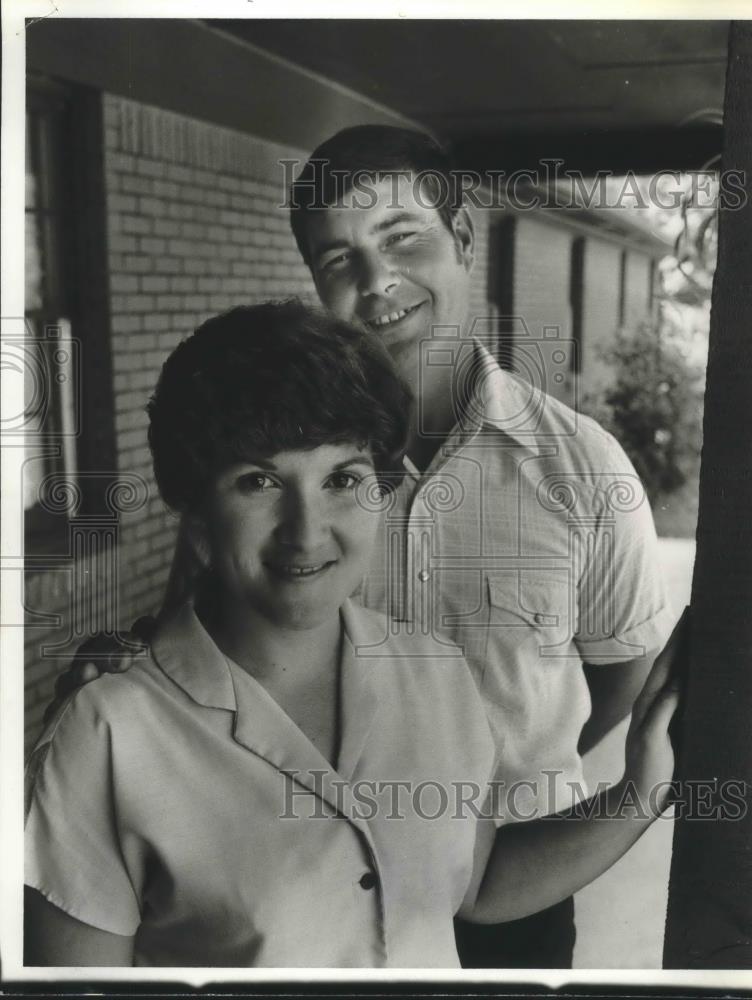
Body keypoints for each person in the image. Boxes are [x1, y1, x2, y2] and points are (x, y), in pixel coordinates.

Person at [49, 127, 672, 968]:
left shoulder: (583, 465)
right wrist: (118, 684)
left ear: (461, 237)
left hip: (511, 869)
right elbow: (193, 641)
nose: (378, 285)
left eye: (402, 237)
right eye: (338, 260)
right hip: (282, 872)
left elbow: (618, 678)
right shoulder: (272, 450)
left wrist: (467, 777)